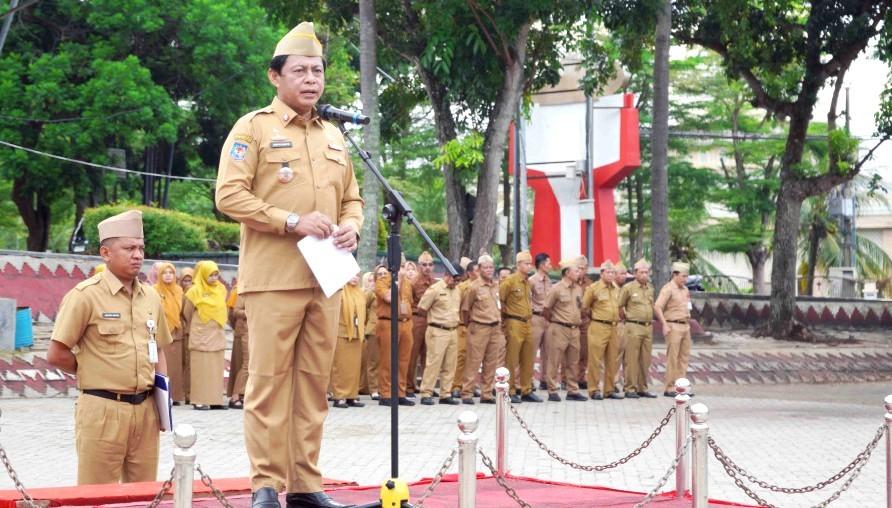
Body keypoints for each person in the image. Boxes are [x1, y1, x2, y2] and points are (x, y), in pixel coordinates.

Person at [215, 20, 363, 508]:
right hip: (273, 280)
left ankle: (306, 488)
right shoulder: (254, 127)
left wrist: (352, 228)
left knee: (314, 387)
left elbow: (353, 200)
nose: (310, 79)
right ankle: (264, 485)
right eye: (299, 70)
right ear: (274, 77)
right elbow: (229, 195)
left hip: (326, 280)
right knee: (268, 385)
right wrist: (291, 219)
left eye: (317, 70)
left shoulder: (335, 137)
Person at [47, 210, 171, 485]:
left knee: (143, 495)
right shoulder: (85, 296)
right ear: (105, 253)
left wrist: (164, 406)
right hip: (102, 409)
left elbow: (159, 349)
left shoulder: (150, 296)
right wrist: (93, 368)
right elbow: (56, 353)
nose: (137, 254)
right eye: (129, 248)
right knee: (97, 495)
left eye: (140, 248)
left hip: (146, 409)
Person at [416, 263, 464, 405]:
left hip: (453, 330)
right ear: (447, 275)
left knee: (450, 364)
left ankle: (445, 393)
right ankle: (426, 392)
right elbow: (421, 308)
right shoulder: (435, 289)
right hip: (437, 330)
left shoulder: (457, 290)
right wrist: (435, 319)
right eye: (455, 279)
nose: (456, 283)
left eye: (459, 280)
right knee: (433, 363)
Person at [183, 260, 228, 410]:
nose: (214, 278)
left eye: (216, 274)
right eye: (211, 275)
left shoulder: (221, 289)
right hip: (201, 334)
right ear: (203, 274)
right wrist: (198, 325)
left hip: (217, 333)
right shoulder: (194, 291)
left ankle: (215, 400)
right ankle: (199, 400)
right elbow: (186, 313)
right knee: (200, 369)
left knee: (215, 368)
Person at [459, 254, 503, 404]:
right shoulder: (474, 286)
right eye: (486, 267)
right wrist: (470, 325)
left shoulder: (496, 285)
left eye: (491, 267)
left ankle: (487, 393)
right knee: (474, 361)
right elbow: (465, 309)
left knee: (491, 362)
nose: (489, 270)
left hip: (495, 328)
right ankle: (467, 393)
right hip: (479, 327)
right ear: (479, 269)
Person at [542, 259, 587, 402]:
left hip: (575, 329)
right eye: (576, 270)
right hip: (559, 328)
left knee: (573, 361)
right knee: (554, 360)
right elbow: (546, 309)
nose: (579, 273)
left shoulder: (579, 289)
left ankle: (572, 390)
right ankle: (552, 390)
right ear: (567, 273)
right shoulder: (557, 288)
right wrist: (555, 322)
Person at [499, 251, 540, 403]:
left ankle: (526, 389)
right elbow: (501, 302)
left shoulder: (527, 282)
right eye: (525, 263)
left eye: (530, 263)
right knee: (512, 358)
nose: (528, 266)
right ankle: (509, 390)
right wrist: (505, 323)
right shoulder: (509, 281)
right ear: (518, 265)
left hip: (527, 322)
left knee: (528, 357)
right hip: (514, 322)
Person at [375, 255, 415, 407]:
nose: (403, 270)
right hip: (388, 323)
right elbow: (388, 297)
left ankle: (400, 393)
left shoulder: (408, 284)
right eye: (400, 267)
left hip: (405, 323)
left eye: (404, 266)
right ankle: (386, 394)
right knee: (388, 360)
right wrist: (395, 280)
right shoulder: (383, 280)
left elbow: (410, 302)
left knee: (403, 361)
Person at [581, 260, 622, 400]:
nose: (611, 275)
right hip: (598, 326)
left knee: (612, 360)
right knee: (595, 359)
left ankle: (609, 390)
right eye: (608, 272)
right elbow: (585, 307)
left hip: (614, 327)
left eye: (613, 272)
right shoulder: (593, 288)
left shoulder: (617, 289)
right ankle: (593, 389)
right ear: (602, 273)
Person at [618, 258, 657, 398]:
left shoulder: (650, 288)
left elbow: (652, 305)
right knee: (631, 359)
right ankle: (630, 388)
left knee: (645, 360)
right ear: (635, 273)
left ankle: (642, 388)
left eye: (646, 272)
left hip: (647, 327)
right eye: (641, 272)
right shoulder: (628, 288)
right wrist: (626, 318)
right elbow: (620, 306)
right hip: (633, 326)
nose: (644, 275)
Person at [654, 261, 693, 397]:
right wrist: (664, 324)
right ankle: (669, 387)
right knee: (673, 358)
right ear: (675, 275)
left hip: (685, 325)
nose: (685, 279)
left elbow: (688, 306)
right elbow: (657, 306)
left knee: (684, 358)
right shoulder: (668, 288)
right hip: (673, 325)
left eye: (687, 276)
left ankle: (680, 386)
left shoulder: (685, 290)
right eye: (683, 276)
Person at [330, 275, 366, 408]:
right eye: (351, 275)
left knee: (354, 367)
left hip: (357, 334)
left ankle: (352, 395)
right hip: (342, 333)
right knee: (340, 366)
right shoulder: (339, 292)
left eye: (357, 275)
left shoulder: (360, 293)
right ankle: (339, 396)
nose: (355, 278)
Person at [155, 262, 187, 405]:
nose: (168, 275)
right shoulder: (154, 290)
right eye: (164, 272)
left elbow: (184, 312)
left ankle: (176, 396)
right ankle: (163, 395)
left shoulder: (179, 291)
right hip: (161, 332)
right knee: (162, 366)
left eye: (171, 272)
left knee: (175, 367)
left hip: (176, 332)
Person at [408, 251, 436, 398]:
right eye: (424, 264)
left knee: (429, 355)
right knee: (413, 354)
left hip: (431, 321)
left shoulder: (435, 283)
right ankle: (409, 386)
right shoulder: (413, 282)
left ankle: (427, 386)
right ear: (419, 266)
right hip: (417, 319)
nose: (427, 267)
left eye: (430, 264)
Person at [451, 258, 478, 398]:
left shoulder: (486, 286)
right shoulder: (462, 287)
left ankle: (470, 385)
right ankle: (456, 385)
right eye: (477, 270)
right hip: (463, 326)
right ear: (469, 273)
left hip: (479, 327)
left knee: (474, 358)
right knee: (460, 357)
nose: (480, 272)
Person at [529, 253, 552, 390]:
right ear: (542, 265)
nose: (550, 265)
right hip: (535, 318)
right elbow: (527, 299)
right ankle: (529, 381)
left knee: (547, 351)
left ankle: (545, 380)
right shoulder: (531, 281)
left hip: (547, 319)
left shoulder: (548, 280)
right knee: (531, 351)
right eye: (548, 263)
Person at [227, 288, 250, 409]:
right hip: (246, 332)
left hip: (259, 331)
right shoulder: (242, 291)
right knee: (247, 364)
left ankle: (244, 394)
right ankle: (235, 395)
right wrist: (253, 312)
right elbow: (235, 312)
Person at [358, 270, 379, 399]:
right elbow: (362, 310)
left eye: (374, 280)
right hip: (370, 329)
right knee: (371, 361)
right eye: (370, 280)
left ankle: (373, 386)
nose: (373, 283)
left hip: (381, 329)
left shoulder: (380, 293)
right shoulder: (366, 294)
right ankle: (372, 389)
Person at [178, 266, 194, 403]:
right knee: (180, 362)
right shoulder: (177, 293)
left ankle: (188, 392)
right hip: (178, 332)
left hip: (189, 332)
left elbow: (188, 315)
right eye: (185, 280)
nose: (187, 284)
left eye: (190, 280)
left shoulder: (193, 293)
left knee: (189, 362)